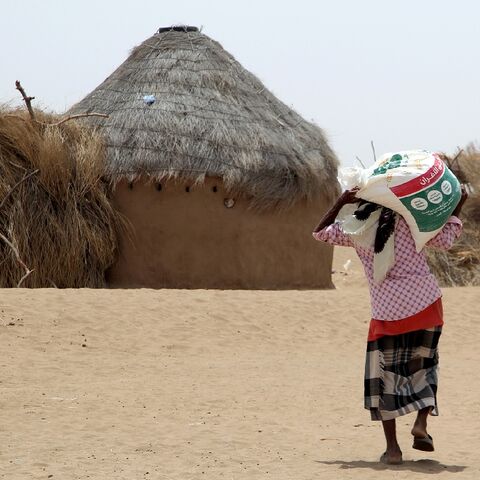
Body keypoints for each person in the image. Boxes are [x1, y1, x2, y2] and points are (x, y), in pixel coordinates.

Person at [312, 185, 468, 465]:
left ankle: (393, 449)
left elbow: (320, 232)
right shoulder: (413, 219)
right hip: (426, 304)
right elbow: (446, 239)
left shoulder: (357, 227)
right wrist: (456, 206)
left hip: (388, 311)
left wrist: (342, 200)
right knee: (425, 365)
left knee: (385, 378)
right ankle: (421, 422)